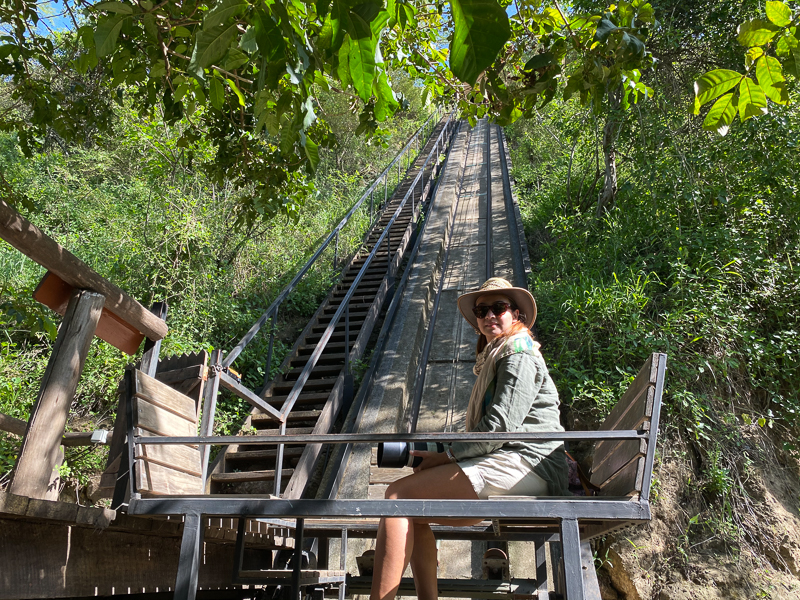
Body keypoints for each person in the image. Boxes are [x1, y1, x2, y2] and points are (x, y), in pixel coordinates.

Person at [369, 277, 570, 600]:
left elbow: (500, 426)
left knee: (397, 497)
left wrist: (448, 456)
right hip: (513, 462)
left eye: (498, 308)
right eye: (481, 310)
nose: (489, 315)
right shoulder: (498, 356)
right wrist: (444, 456)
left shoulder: (519, 354)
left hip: (531, 464)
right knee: (415, 511)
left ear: (515, 314)